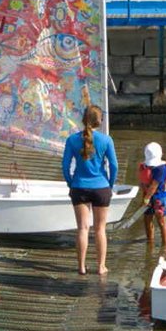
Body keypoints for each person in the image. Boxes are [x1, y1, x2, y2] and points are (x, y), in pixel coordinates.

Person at [61, 105, 117, 275]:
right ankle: (101, 267)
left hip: (79, 186)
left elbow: (65, 166)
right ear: (99, 121)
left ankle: (81, 266)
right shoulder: (106, 140)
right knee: (100, 229)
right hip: (101, 187)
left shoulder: (72, 140)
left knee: (82, 228)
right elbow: (114, 166)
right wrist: (110, 184)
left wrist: (71, 182)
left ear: (84, 119)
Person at [139, 141, 166, 250]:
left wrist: (147, 198)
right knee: (147, 220)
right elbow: (143, 182)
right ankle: (150, 243)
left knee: (161, 221)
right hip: (147, 196)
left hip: (160, 197)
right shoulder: (144, 166)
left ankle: (165, 247)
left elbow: (154, 185)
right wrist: (145, 196)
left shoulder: (161, 168)